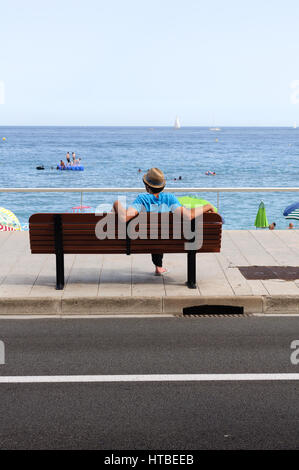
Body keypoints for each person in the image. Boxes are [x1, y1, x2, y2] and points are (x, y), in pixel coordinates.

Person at [113, 167, 216, 275]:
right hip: (166, 240)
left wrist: (116, 203)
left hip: (144, 239)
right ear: (162, 186)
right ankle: (159, 267)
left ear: (147, 186)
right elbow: (189, 215)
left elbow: (124, 217)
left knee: (154, 232)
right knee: (160, 232)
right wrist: (207, 206)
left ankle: (158, 266)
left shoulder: (142, 199)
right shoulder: (170, 198)